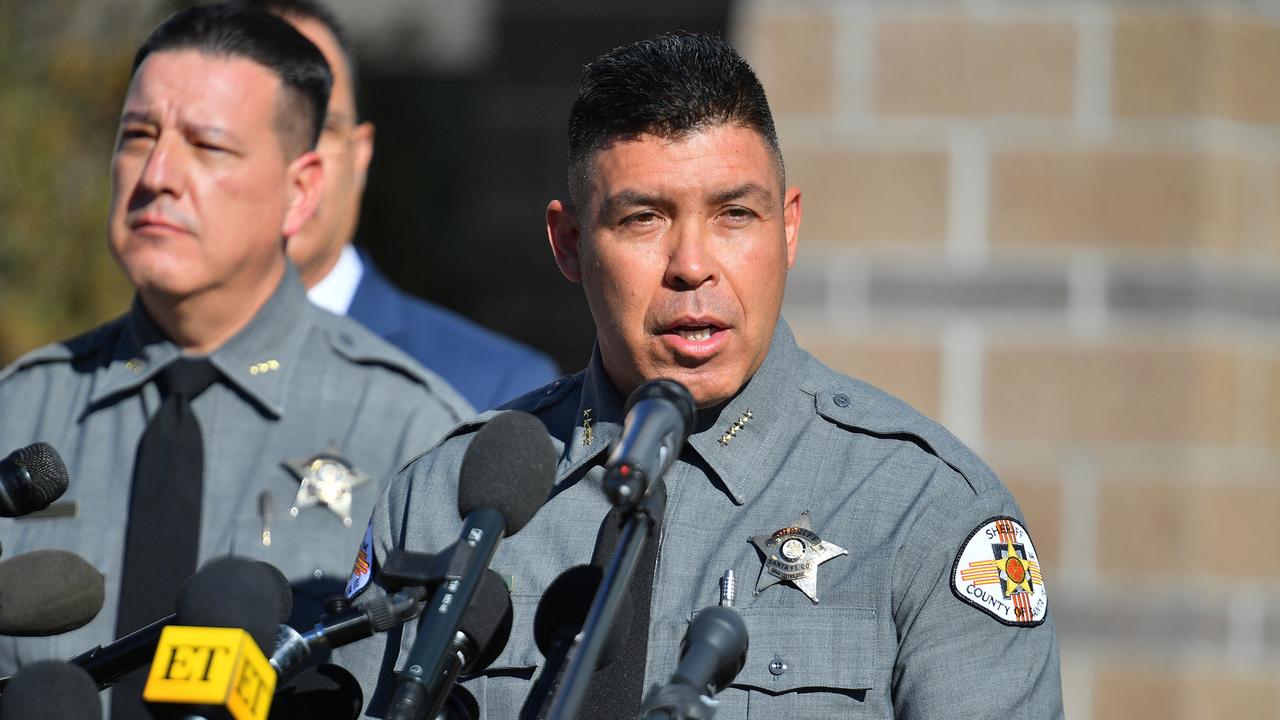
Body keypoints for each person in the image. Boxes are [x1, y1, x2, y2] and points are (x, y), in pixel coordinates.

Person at [338, 32, 1064, 718]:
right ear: (569, 243)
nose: (692, 264)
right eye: (644, 219)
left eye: (734, 215)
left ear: (788, 230)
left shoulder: (924, 512)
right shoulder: (449, 503)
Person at [0, 4, 470, 716]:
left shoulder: (415, 435)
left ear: (301, 189)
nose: (157, 174)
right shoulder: (24, 409)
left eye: (208, 146)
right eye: (137, 136)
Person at [242, 0, 560, 411]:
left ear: (360, 155)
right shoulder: (149, 362)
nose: (295, 163)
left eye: (319, 128)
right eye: (254, 131)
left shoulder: (493, 387)